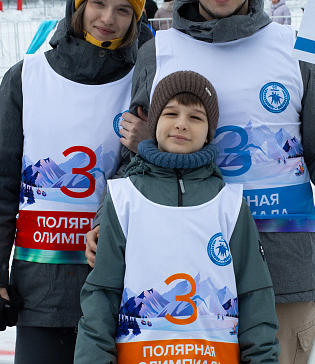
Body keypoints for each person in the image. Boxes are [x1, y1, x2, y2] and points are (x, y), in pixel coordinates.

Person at [89, 0, 315, 364]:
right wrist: (105, 219)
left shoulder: (295, 49)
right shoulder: (159, 52)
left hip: (281, 270)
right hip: (179, 272)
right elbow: (136, 155)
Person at [0, 0, 150, 364]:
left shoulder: (143, 83)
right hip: (41, 286)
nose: (108, 19)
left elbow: (152, 178)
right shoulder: (26, 77)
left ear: (136, 20)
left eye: (123, 10)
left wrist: (148, 144)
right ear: (80, 4)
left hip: (119, 285)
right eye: (99, 3)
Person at [76, 70, 279, 363]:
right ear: (154, 123)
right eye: (171, 113)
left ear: (209, 133)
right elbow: (101, 297)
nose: (182, 124)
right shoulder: (122, 198)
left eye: (196, 117)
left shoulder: (230, 204)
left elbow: (255, 297)